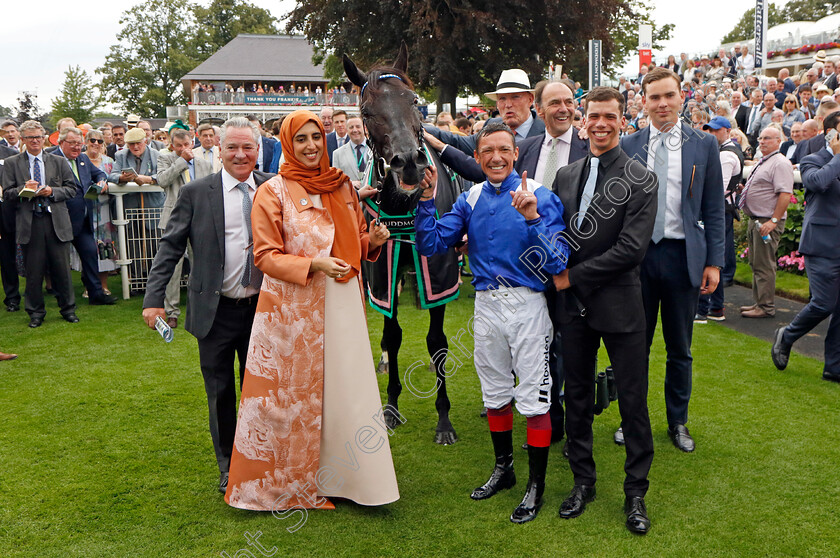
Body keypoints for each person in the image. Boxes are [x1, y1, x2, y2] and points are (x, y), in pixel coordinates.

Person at [223, 110, 398, 511]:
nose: (310, 146)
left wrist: (372, 240)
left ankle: (353, 480)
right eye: (300, 139)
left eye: (316, 137)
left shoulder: (342, 188)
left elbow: (352, 246)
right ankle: (290, 483)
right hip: (291, 313)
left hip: (341, 306)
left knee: (346, 393)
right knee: (289, 399)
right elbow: (266, 256)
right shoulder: (272, 192)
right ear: (286, 142)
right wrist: (313, 264)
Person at [415, 121, 569, 524]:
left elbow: (557, 263)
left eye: (503, 149)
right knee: (495, 392)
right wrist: (427, 199)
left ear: (515, 153)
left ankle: (536, 485)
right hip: (486, 306)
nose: (496, 158)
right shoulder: (471, 197)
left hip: (528, 305)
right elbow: (431, 244)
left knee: (534, 395)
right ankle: (504, 469)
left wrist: (533, 219)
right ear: (478, 157)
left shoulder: (540, 194)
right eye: (487, 152)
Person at [143, 117, 274, 494]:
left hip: (263, 312)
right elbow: (170, 248)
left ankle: (261, 456)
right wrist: (153, 301)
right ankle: (228, 465)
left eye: (247, 147)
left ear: (257, 150)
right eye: (232, 147)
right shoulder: (196, 193)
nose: (240, 154)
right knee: (220, 394)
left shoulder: (272, 188)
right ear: (219, 150)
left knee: (262, 391)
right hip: (214, 313)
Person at [551, 86, 657, 535]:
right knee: (575, 396)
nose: (600, 124)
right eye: (593, 115)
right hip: (572, 309)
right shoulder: (566, 175)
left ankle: (636, 493)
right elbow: (556, 235)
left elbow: (631, 250)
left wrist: (572, 277)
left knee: (632, 401)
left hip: (619, 304)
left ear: (623, 119)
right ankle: (583, 482)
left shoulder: (639, 177)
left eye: (609, 117)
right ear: (582, 119)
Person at [619, 67, 725, 453]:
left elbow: (714, 208)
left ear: (682, 97)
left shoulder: (704, 145)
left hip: (683, 258)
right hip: (637, 260)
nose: (662, 104)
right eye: (654, 97)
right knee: (635, 347)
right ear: (643, 102)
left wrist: (713, 262)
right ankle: (631, 419)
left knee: (680, 347)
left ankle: (677, 421)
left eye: (669, 96)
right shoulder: (629, 144)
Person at [772, 111, 840, 381]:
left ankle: (834, 367)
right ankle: (786, 335)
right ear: (831, 133)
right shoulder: (814, 159)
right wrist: (837, 155)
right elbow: (816, 183)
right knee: (823, 303)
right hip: (822, 244)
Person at [1, 121, 79, 328]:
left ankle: (68, 309)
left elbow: (72, 189)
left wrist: (52, 191)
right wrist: (23, 189)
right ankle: (35, 312)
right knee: (33, 272)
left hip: (56, 220)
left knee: (62, 269)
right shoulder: (11, 163)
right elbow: (7, 193)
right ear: (23, 140)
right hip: (30, 221)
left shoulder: (58, 161)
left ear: (44, 138)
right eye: (30, 137)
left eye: (38, 137)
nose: (35, 141)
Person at [155, 128, 213, 328]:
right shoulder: (166, 160)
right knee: (173, 267)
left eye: (186, 145)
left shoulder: (205, 164)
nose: (183, 149)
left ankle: (201, 305)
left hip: (200, 220)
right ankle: (172, 311)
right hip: (174, 219)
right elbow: (162, 181)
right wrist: (181, 161)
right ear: (172, 145)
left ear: (192, 143)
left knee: (200, 265)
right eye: (178, 146)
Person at [54, 127, 117, 306]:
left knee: (90, 253)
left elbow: (98, 172)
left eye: (79, 144)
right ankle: (63, 299)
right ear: (61, 143)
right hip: (60, 221)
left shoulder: (82, 158)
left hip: (83, 220)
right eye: (72, 143)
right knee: (59, 261)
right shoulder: (52, 158)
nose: (76, 147)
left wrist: (101, 181)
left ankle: (96, 294)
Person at [739, 126, 794, 318]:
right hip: (756, 219)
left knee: (764, 264)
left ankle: (765, 306)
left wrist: (773, 220)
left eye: (767, 138)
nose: (762, 141)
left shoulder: (780, 163)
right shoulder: (764, 161)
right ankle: (759, 303)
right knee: (757, 263)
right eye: (761, 138)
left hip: (766, 221)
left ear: (778, 141)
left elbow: (785, 194)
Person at [426, 69, 546, 155]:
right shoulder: (491, 126)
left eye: (515, 97)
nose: (508, 104)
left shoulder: (547, 130)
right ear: (497, 104)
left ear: (530, 100)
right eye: (502, 98)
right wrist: (420, 128)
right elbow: (456, 142)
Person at [696, 117, 744, 322]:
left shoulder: (725, 155)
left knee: (709, 257)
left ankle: (704, 309)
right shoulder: (727, 151)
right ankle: (714, 308)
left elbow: (717, 188)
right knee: (716, 257)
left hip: (717, 210)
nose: (711, 134)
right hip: (723, 209)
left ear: (727, 130)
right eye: (709, 130)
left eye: (715, 131)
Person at [84, 129, 118, 295]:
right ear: (86, 142)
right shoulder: (80, 160)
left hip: (104, 210)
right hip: (85, 210)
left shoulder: (109, 161)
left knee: (105, 246)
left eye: (99, 141)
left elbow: (115, 181)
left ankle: (103, 285)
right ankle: (88, 286)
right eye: (92, 140)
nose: (95, 144)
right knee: (87, 248)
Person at [331, 115, 368, 188]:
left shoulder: (375, 150)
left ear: (364, 128)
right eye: (351, 127)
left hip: (373, 196)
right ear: (347, 130)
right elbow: (335, 180)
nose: (355, 130)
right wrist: (349, 183)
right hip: (350, 196)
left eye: (358, 126)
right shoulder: (337, 154)